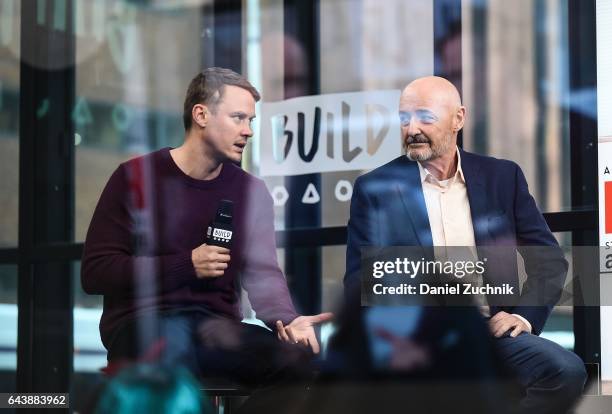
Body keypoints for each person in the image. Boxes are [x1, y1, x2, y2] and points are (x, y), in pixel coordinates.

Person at [344, 76, 586, 413]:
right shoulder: (375, 188)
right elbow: (360, 281)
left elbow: (549, 262)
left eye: (425, 117)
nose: (411, 128)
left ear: (458, 118)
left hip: (492, 336)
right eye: (404, 119)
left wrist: (524, 318)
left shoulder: (503, 177)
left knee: (566, 370)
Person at [81, 67, 332, 393]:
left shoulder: (251, 192)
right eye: (238, 118)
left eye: (250, 121)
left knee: (297, 362)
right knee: (172, 347)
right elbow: (96, 272)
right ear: (201, 114)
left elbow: (264, 276)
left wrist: (287, 319)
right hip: (142, 322)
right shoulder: (134, 178)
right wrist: (187, 264)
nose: (248, 131)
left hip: (216, 328)